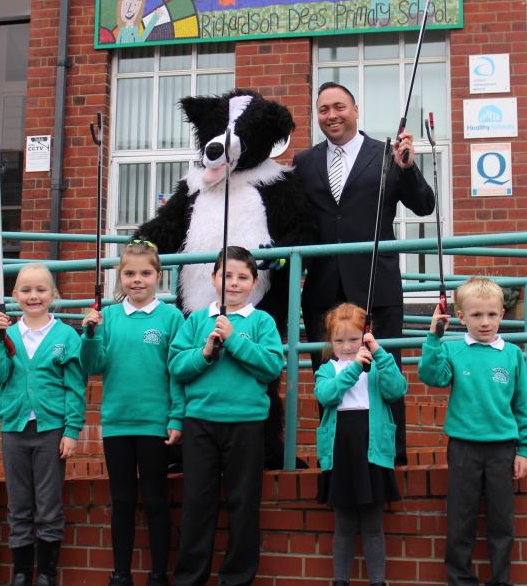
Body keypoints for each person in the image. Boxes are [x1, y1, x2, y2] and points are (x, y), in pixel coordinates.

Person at [293, 81, 435, 466]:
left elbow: (424, 205)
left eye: (339, 107)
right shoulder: (305, 162)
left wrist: (408, 168)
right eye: (323, 109)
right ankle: (334, 456)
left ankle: (391, 455)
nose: (332, 115)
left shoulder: (387, 155)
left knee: (384, 369)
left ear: (355, 110)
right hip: (323, 288)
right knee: (327, 373)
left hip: (377, 285)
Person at [168, 246, 284, 586]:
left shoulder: (262, 321)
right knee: (197, 503)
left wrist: (233, 340)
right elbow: (177, 366)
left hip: (246, 424)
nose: (234, 283)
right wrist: (204, 353)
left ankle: (237, 578)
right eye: (227, 275)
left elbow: (271, 366)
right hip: (200, 423)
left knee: (243, 503)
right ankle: (190, 577)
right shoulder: (195, 321)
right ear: (214, 278)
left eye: (242, 277)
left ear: (254, 282)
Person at [418, 277, 527, 586]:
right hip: (463, 449)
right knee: (461, 521)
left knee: (501, 522)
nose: (485, 322)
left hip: (502, 449)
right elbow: (432, 376)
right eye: (476, 315)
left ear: (502, 314)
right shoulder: (453, 350)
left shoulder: (512, 354)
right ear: (461, 317)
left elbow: (523, 404)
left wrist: (524, 449)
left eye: (492, 314)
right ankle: (460, 580)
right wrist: (433, 338)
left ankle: (500, 580)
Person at [81, 241, 184, 586]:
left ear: (158, 275)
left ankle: (158, 575)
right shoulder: (107, 317)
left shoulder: (171, 317)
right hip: (117, 423)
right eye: (129, 273)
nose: (137, 280)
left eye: (145, 273)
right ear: (120, 276)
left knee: (156, 500)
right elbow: (92, 365)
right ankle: (121, 574)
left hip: (155, 423)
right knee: (122, 500)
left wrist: (176, 417)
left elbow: (177, 373)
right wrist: (89, 335)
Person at [0, 264, 86, 586]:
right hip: (15, 430)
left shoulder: (66, 336)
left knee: (48, 505)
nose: (33, 296)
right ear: (15, 295)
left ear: (53, 295)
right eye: (26, 290)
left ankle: (45, 574)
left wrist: (71, 430)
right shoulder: (7, 334)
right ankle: (21, 573)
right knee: (19, 504)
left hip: (51, 431)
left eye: (41, 290)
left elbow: (75, 386)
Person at [314, 303, 406, 586]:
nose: (346, 347)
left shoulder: (377, 367)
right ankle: (340, 580)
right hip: (342, 452)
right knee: (343, 525)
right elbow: (327, 396)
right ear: (330, 341)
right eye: (339, 340)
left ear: (366, 335)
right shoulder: (327, 369)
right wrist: (354, 368)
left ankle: (378, 581)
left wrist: (378, 353)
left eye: (354, 339)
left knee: (372, 525)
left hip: (372, 452)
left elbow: (396, 389)